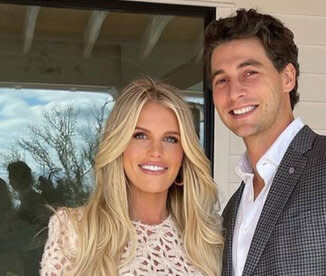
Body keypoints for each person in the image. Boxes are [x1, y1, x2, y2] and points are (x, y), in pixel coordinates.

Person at [204, 8, 326, 275]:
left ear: (287, 77)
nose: (234, 91)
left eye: (249, 73)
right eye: (221, 80)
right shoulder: (234, 207)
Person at [39, 78, 223, 275]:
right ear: (119, 145)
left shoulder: (208, 235)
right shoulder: (73, 230)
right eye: (141, 136)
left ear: (184, 153)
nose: (156, 151)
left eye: (171, 139)